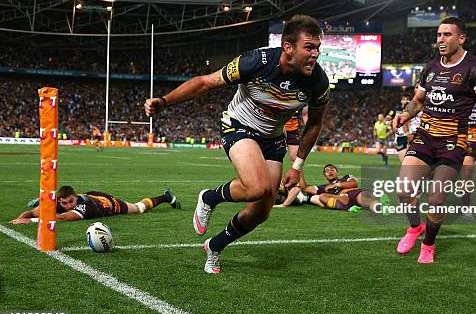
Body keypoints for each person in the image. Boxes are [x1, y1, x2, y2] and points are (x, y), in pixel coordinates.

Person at [144, 14, 329, 274]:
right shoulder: (255, 62)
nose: (315, 54)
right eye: (309, 47)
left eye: (318, 48)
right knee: (256, 187)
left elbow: (315, 124)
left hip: (273, 139)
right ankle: (209, 197)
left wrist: (297, 165)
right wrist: (164, 102)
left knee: (261, 212)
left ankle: (215, 246)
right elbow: (206, 82)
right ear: (288, 47)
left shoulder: (318, 82)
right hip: (239, 127)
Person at [393, 17, 476, 264]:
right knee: (403, 191)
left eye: (447, 35)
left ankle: (428, 244)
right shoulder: (430, 68)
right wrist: (405, 114)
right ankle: (414, 227)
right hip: (425, 137)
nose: (441, 40)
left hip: (453, 141)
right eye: (439, 35)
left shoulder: (473, 68)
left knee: (437, 200)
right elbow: (418, 101)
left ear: (461, 38)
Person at [10, 186, 179, 224]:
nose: (68, 205)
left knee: (138, 208)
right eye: (64, 203)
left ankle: (164, 197)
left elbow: (62, 218)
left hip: (108, 203)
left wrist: (30, 222)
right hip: (93, 195)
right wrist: (21, 218)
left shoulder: (84, 207)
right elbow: (32, 212)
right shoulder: (60, 202)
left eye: (71, 201)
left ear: (75, 198)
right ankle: (166, 197)